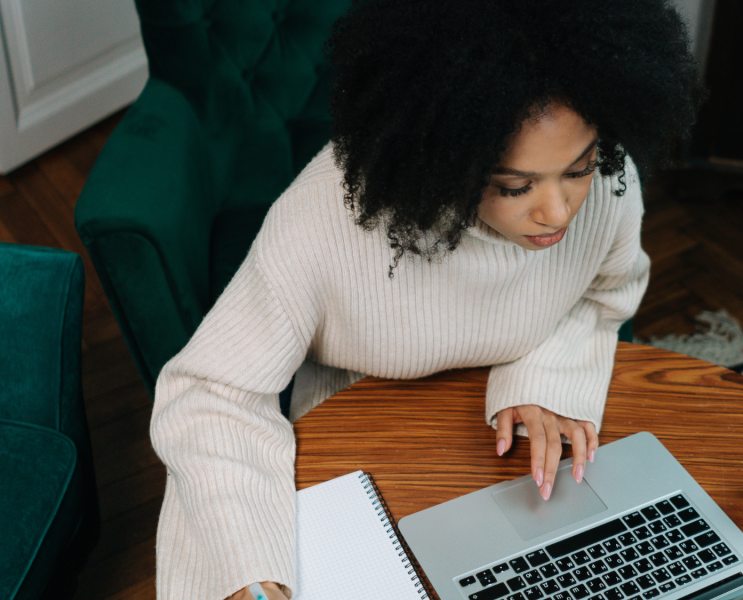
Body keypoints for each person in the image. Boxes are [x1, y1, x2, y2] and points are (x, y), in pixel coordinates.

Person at [149, 0, 704, 598]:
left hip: (506, 458)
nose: (558, 210)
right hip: (355, 439)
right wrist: (251, 575)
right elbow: (210, 394)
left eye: (579, 168)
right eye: (515, 186)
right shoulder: (322, 221)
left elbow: (606, 293)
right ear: (448, 160)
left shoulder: (608, 191)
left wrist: (545, 376)